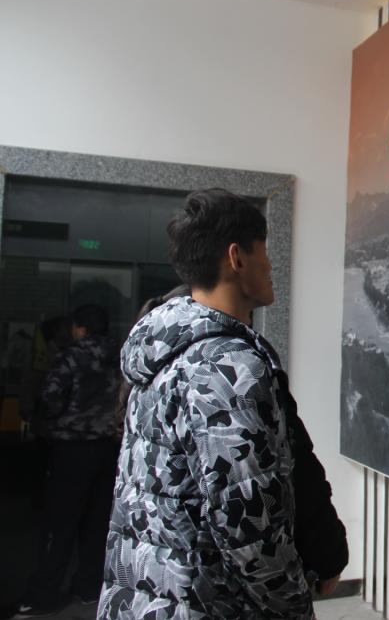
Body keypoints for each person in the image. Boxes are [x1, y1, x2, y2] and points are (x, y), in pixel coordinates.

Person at [98, 188, 347, 619]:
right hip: (210, 602)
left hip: (148, 592)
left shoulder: (161, 348)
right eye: (263, 251)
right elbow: (249, 526)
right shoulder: (227, 368)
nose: (271, 266)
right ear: (237, 258)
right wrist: (293, 603)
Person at [16, 305, 120, 616]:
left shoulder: (71, 357)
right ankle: (88, 587)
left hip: (72, 449)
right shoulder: (121, 356)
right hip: (109, 448)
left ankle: (43, 594)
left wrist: (47, 421)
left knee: (60, 523)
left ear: (80, 328)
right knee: (97, 523)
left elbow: (51, 398)